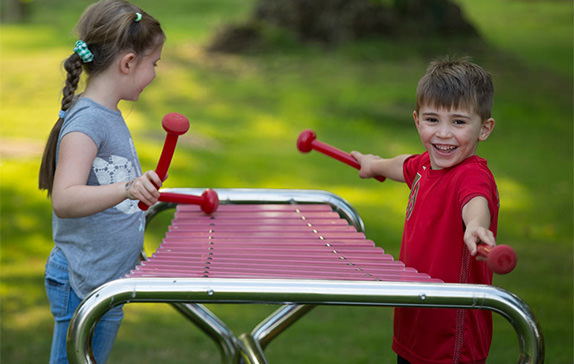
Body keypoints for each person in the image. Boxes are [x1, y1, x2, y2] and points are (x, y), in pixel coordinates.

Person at [38, 1, 165, 362]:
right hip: (80, 279)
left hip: (104, 278)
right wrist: (126, 188)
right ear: (128, 62)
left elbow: (107, 185)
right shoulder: (88, 121)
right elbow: (65, 198)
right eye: (153, 64)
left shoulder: (108, 114)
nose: (154, 73)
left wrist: (137, 195)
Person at [350, 57, 498, 364]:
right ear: (417, 121)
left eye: (458, 122)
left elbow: (476, 201)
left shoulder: (470, 175)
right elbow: (402, 164)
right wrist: (372, 164)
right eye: (433, 120)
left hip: (451, 339)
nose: (443, 133)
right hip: (414, 326)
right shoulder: (424, 167)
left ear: (484, 129)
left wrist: (475, 226)